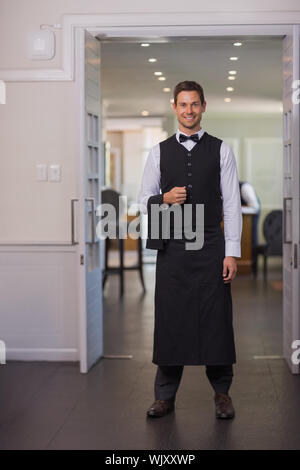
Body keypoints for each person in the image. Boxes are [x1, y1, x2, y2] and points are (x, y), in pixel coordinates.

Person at [138, 81, 242, 420]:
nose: (189, 110)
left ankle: (222, 394)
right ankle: (164, 397)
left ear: (203, 106)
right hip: (173, 251)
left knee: (217, 322)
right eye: (183, 104)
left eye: (194, 104)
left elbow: (232, 206)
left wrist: (231, 252)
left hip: (212, 247)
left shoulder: (222, 150)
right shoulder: (158, 151)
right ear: (174, 107)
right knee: (170, 321)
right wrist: (162, 199)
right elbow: (143, 201)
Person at [239, 180, 261, 248]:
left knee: (251, 239)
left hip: (252, 217)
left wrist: (238, 210)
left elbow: (255, 208)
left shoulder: (245, 188)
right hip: (243, 218)